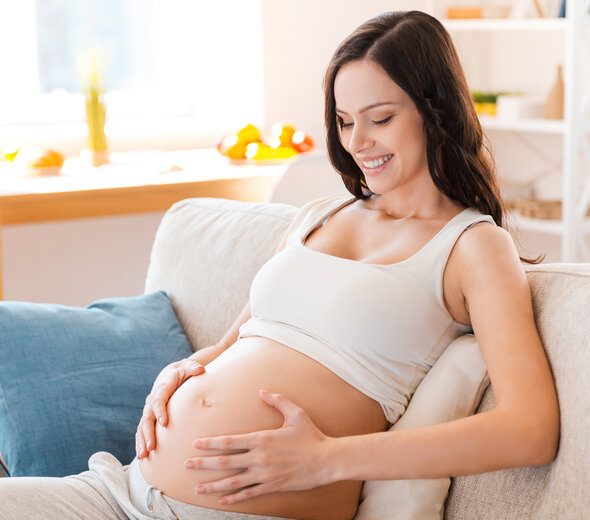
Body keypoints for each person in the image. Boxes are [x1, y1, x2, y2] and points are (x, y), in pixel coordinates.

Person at [0, 10, 558, 520]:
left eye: (379, 118)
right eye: (343, 121)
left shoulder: (472, 247)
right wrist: (184, 370)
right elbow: (243, 338)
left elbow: (530, 429)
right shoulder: (319, 215)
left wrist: (329, 459)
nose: (357, 142)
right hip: (122, 490)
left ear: (434, 112)